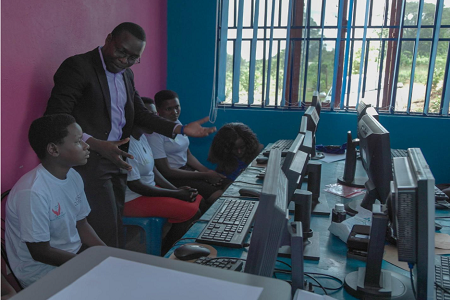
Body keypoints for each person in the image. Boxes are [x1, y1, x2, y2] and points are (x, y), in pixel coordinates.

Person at [45, 22, 216, 247]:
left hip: (117, 160)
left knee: (114, 228)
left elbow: (142, 115)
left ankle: (113, 273)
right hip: (88, 161)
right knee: (102, 231)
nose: (125, 60)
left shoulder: (127, 75)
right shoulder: (79, 66)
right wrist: (96, 144)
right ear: (108, 39)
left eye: (133, 57)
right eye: (121, 52)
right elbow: (57, 116)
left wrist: (180, 129)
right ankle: (100, 277)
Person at [5, 114, 105, 288]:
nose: (86, 145)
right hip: (41, 273)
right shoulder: (32, 192)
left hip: (72, 257)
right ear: (53, 150)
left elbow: (82, 224)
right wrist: (89, 265)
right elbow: (40, 253)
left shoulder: (73, 176)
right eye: (78, 141)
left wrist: (107, 254)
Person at [124, 98, 202, 254]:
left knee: (196, 198)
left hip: (148, 190)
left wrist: (177, 190)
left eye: (155, 115)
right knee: (191, 211)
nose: (156, 120)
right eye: (151, 115)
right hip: (133, 198)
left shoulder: (143, 138)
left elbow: (154, 171)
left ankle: (170, 245)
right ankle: (168, 253)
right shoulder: (127, 143)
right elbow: (136, 185)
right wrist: (175, 194)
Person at [147, 90, 225, 207]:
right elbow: (166, 171)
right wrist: (204, 175)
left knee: (225, 184)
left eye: (177, 107)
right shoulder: (155, 134)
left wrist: (206, 170)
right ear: (158, 110)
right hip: (174, 177)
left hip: (187, 171)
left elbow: (187, 154)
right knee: (217, 196)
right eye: (169, 109)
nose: (175, 112)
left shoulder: (177, 123)